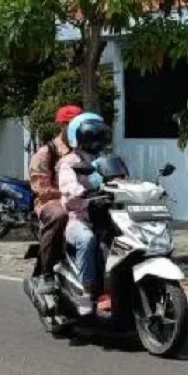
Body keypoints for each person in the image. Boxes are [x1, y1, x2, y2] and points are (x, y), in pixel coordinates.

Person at [58, 112, 114, 316]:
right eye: (92, 136)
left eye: (100, 136)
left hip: (106, 216)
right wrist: (78, 190)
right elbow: (67, 184)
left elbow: (121, 178)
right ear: (78, 137)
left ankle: (115, 290)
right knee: (88, 240)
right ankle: (86, 290)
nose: (96, 141)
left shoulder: (106, 160)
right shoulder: (69, 162)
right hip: (80, 218)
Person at [28, 104, 82, 276]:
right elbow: (40, 188)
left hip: (82, 200)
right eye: (72, 125)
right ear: (62, 126)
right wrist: (67, 194)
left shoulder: (86, 151)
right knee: (60, 216)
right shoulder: (46, 153)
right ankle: (47, 273)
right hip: (52, 201)